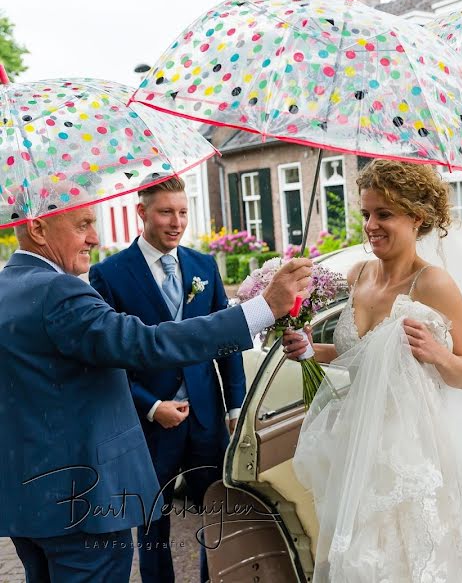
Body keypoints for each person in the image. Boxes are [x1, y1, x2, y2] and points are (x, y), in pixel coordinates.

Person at [283, 159, 462, 582]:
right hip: (356, 444)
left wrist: (439, 354)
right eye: (366, 213)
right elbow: (359, 356)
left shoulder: (434, 283)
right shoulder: (359, 275)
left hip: (413, 458)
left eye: (384, 214)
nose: (371, 225)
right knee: (357, 559)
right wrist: (313, 349)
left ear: (416, 217)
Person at [0, 205, 312, 583]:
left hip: (28, 501)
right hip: (83, 502)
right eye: (83, 225)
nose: (95, 238)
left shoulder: (7, 287)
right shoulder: (58, 292)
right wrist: (262, 309)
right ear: (37, 229)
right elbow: (147, 343)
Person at [89, 177, 243, 583]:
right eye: (165, 212)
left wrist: (235, 405)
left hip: (207, 419)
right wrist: (152, 407)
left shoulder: (203, 266)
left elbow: (226, 342)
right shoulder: (109, 275)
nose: (176, 223)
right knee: (152, 524)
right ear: (141, 212)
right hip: (149, 424)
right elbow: (107, 359)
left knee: (218, 515)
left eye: (183, 212)